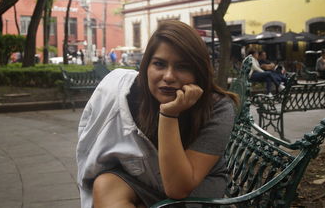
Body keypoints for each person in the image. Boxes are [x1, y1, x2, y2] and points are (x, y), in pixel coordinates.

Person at [77, 20, 239, 208]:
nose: (169, 76)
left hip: (196, 191)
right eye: (159, 64)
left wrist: (169, 115)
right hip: (146, 179)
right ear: (146, 67)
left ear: (198, 71)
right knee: (105, 184)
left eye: (182, 66)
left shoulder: (217, 108)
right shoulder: (132, 96)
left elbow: (178, 189)